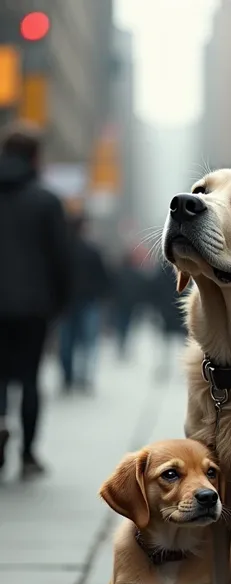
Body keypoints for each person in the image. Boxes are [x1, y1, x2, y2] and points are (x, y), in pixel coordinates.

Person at [0, 122, 71, 479]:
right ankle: (27, 454)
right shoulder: (46, 201)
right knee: (29, 378)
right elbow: (61, 257)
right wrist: (58, 303)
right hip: (32, 306)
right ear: (35, 157)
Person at [59, 213, 110, 393]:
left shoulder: (63, 250)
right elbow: (104, 277)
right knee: (88, 341)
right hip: (88, 301)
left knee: (67, 341)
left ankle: (68, 377)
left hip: (66, 303)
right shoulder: (92, 250)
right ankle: (84, 377)